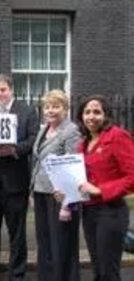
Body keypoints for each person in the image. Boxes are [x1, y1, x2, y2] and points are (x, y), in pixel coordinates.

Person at [0, 74, 39, 281]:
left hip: (15, 181)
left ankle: (17, 272)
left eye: (3, 89)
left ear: (11, 90)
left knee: (17, 232)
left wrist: (14, 150)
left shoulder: (27, 111)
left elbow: (33, 140)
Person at [76, 95, 134, 281]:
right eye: (87, 112)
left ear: (106, 115)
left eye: (97, 112)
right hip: (89, 211)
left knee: (109, 270)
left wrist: (101, 190)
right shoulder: (83, 144)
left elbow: (132, 176)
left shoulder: (117, 136)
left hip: (111, 211)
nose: (91, 116)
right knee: (98, 269)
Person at [31, 90, 81, 281]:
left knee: (62, 245)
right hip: (41, 192)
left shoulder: (71, 131)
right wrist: (32, 191)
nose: (51, 110)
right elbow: (37, 161)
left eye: (56, 106)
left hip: (60, 197)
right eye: (48, 106)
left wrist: (68, 205)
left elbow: (73, 168)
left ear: (66, 109)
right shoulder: (45, 129)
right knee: (44, 244)